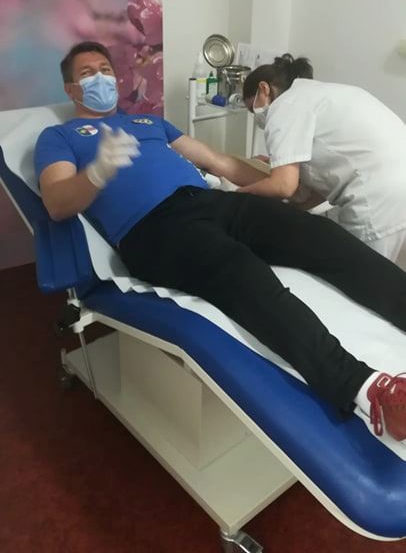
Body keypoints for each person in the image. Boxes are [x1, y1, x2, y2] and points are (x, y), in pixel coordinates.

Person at [34, 41, 406, 442]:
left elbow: (220, 163)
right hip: (152, 229)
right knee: (240, 270)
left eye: (105, 69)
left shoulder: (149, 122)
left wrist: (284, 191)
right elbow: (56, 203)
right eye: (88, 73)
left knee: (320, 234)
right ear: (71, 89)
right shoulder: (58, 137)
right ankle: (365, 389)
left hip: (213, 201)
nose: (100, 78)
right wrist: (97, 171)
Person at [241, 54, 406, 264]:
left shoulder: (284, 105)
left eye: (252, 108)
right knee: (381, 272)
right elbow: (314, 189)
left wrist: (239, 195)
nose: (255, 115)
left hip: (377, 197)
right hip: (396, 184)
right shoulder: (314, 95)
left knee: (363, 274)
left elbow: (283, 185)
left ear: (264, 89)